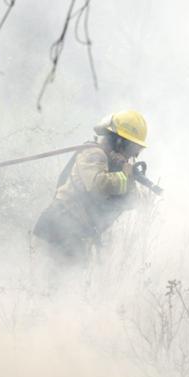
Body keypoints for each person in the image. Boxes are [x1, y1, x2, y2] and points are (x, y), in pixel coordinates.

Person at [32, 109, 148, 262]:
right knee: (48, 282)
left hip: (75, 236)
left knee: (69, 283)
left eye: (136, 151)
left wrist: (133, 184)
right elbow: (97, 184)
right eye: (131, 149)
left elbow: (132, 201)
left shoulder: (113, 166)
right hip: (56, 229)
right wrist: (126, 178)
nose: (132, 156)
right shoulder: (93, 154)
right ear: (119, 142)